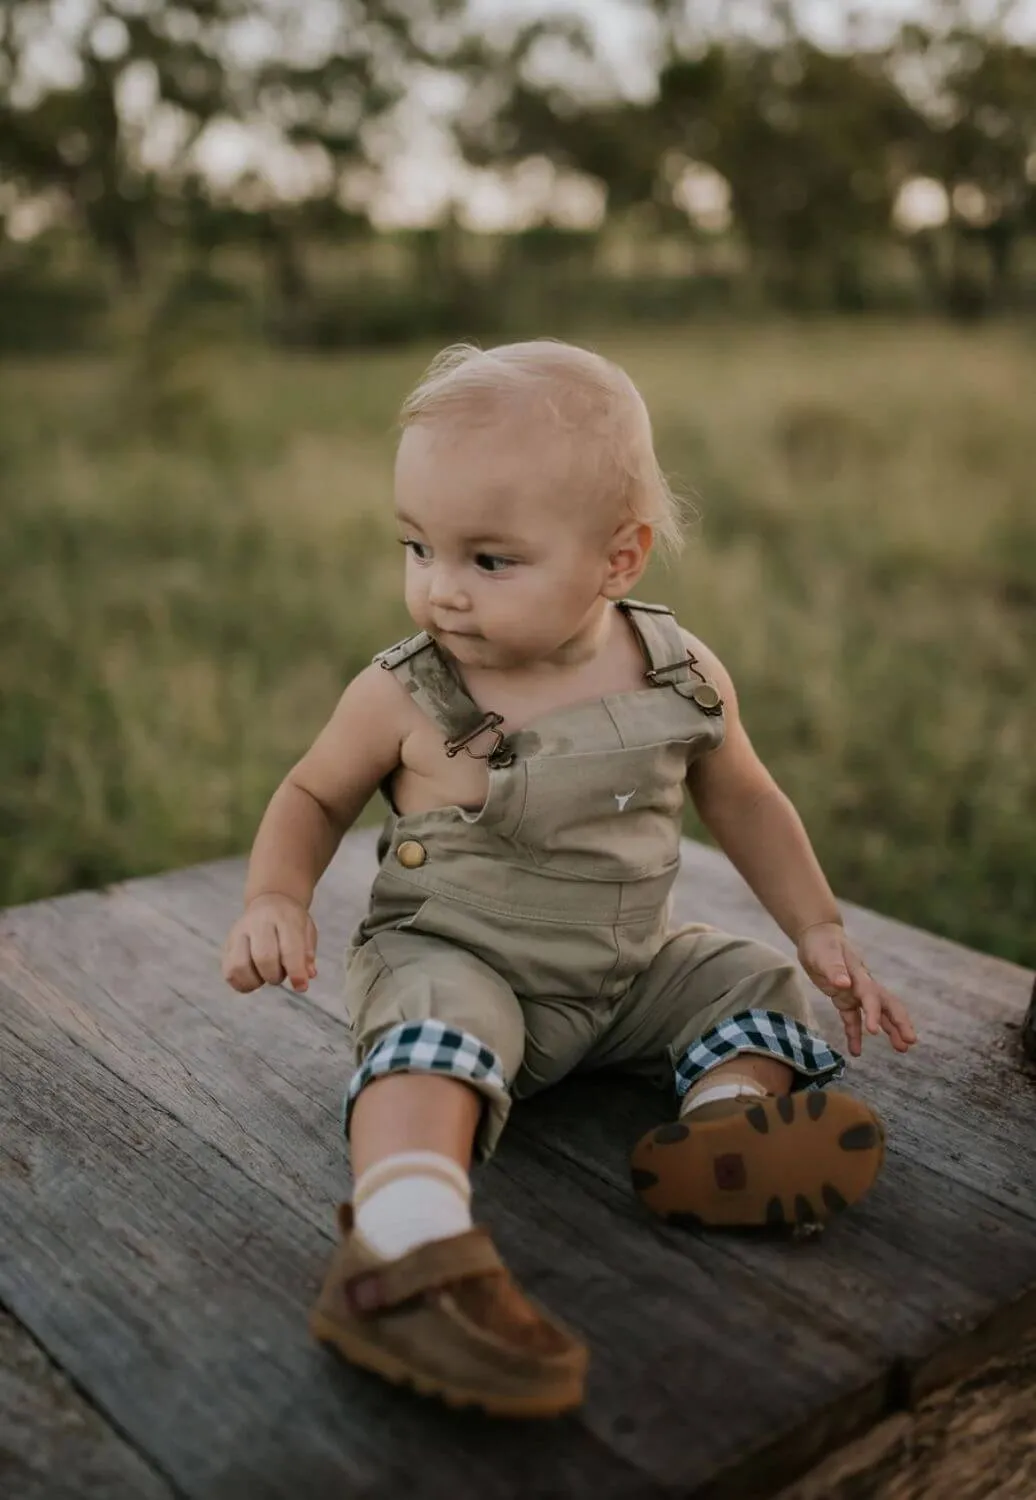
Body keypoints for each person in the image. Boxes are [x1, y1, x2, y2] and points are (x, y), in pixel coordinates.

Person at [221, 340, 918, 1420]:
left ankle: (727, 1131)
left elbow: (747, 799)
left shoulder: (679, 672)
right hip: (464, 963)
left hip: (628, 976)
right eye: (416, 547)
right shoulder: (405, 693)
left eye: (488, 560)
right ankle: (402, 1248)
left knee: (751, 981)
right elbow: (312, 795)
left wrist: (818, 926)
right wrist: (277, 896)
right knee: (435, 1029)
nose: (440, 591)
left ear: (619, 559)